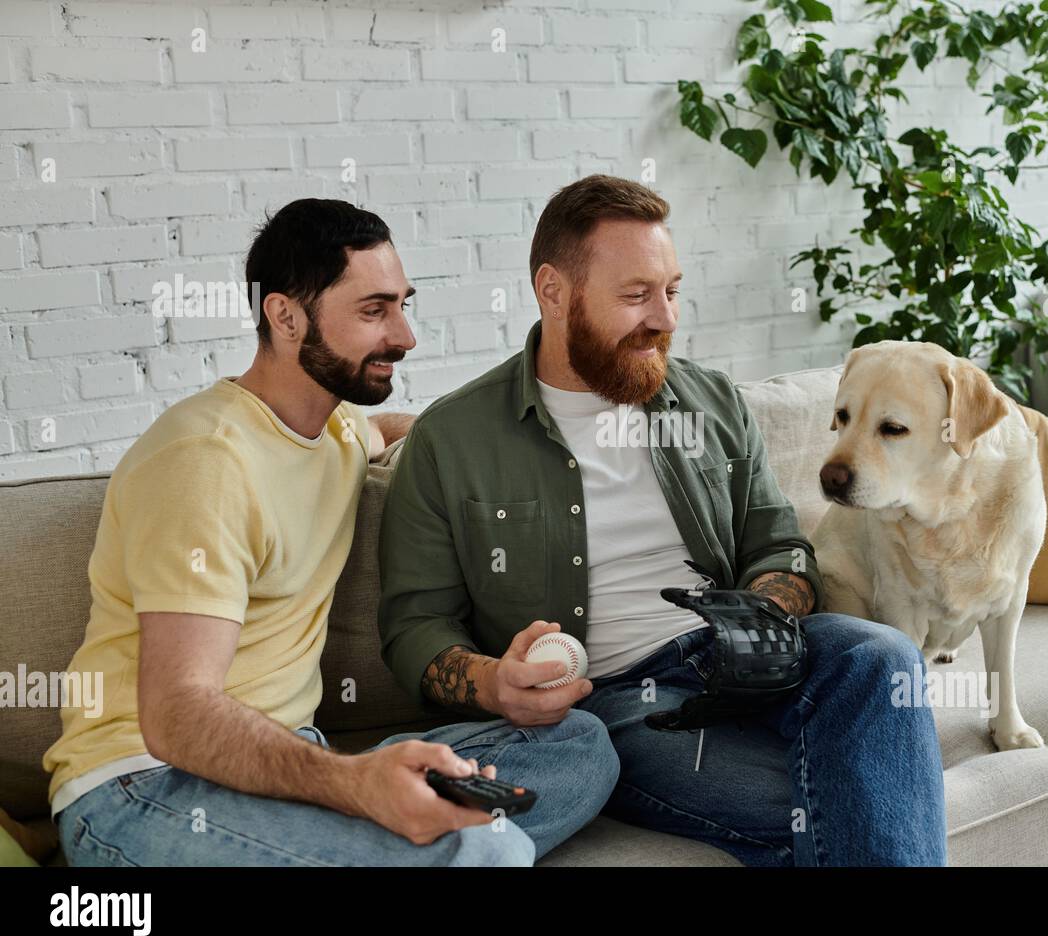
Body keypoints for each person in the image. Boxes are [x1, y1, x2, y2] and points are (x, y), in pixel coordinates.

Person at [378, 176, 947, 866]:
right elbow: (414, 630)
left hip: (745, 651)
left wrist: (764, 614)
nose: (667, 318)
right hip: (623, 700)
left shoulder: (707, 402)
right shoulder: (454, 437)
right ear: (554, 292)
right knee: (829, 802)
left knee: (880, 656)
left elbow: (781, 545)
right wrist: (495, 682)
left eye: (671, 290)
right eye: (636, 295)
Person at [43, 198, 619, 867]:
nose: (405, 336)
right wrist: (355, 786)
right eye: (373, 311)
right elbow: (177, 714)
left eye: (404, 304)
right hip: (143, 784)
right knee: (479, 851)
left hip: (285, 766)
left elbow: (399, 430)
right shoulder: (204, 462)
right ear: (285, 317)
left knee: (578, 747)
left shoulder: (338, 431)